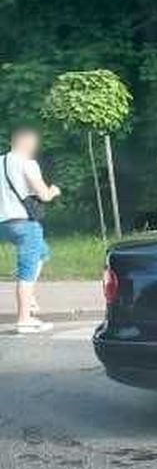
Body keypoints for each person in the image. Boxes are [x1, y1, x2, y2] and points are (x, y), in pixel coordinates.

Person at [1, 128, 60, 334]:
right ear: (26, 143)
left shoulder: (0, 162)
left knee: (42, 253)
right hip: (24, 224)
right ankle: (24, 319)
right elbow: (43, 194)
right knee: (27, 272)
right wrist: (54, 191)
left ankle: (29, 296)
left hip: (3, 224)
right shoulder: (28, 163)